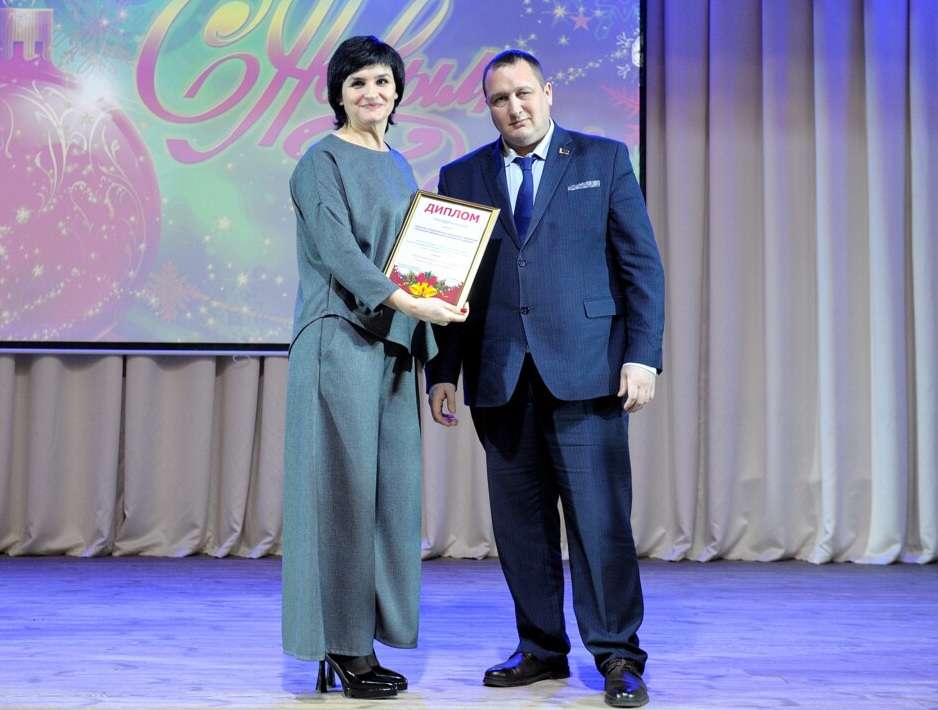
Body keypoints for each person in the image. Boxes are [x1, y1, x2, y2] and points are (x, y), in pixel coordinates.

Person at [426, 49, 665, 708]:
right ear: (488, 107)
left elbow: (641, 267)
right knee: (520, 527)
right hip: (499, 377)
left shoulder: (602, 159)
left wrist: (642, 356)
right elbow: (449, 285)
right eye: (500, 99)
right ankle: (540, 648)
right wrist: (443, 372)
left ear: (548, 92)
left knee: (599, 522)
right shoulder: (461, 175)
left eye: (524, 93)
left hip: (588, 372)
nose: (514, 108)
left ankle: (618, 654)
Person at [282, 35, 467, 700]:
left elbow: (419, 268)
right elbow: (338, 252)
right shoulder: (320, 161)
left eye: (382, 81)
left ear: (398, 92)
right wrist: (410, 303)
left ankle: (362, 636)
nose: (371, 92)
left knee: (387, 501)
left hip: (393, 347)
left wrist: (437, 361)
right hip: (338, 342)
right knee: (341, 498)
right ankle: (341, 645)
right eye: (357, 82)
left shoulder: (399, 165)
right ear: (338, 93)